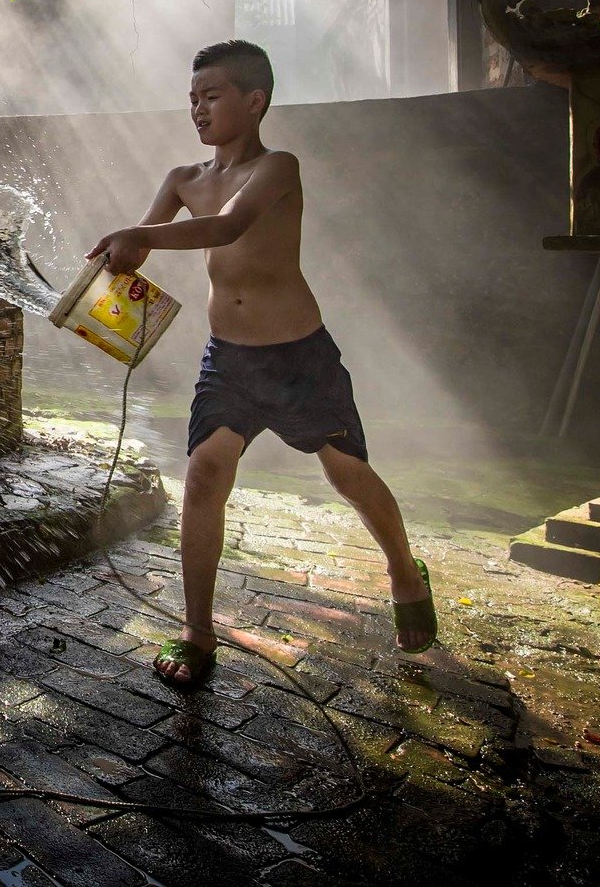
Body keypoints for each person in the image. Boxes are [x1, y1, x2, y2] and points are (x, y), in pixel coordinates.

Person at [85, 39, 437, 689]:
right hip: (229, 361)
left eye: (211, 96)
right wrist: (119, 260)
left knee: (348, 474)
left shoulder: (278, 167)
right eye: (191, 98)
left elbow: (226, 227)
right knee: (203, 475)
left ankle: (404, 570)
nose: (197, 109)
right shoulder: (181, 179)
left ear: (254, 101)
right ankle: (196, 630)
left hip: (299, 354)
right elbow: (144, 244)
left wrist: (140, 237)